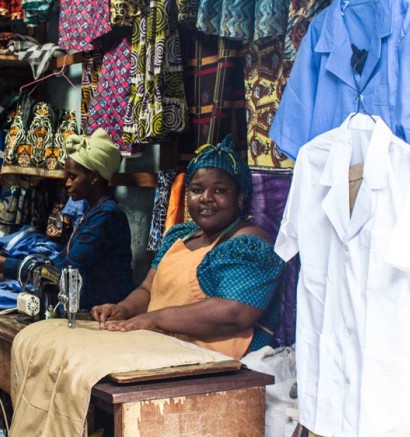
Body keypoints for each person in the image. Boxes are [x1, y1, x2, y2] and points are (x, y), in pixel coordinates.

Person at [91, 135, 285, 359]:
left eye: (220, 190)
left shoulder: (250, 245)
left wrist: (156, 319)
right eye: (196, 190)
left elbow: (234, 313)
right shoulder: (179, 236)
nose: (206, 198)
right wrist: (123, 309)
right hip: (164, 350)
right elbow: (147, 290)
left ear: (240, 197)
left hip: (216, 365)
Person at [0, 128, 133, 309]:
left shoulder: (106, 216)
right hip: (91, 307)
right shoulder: (94, 213)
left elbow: (63, 271)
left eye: (72, 177)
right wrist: (8, 271)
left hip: (104, 311)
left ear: (94, 177)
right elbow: (60, 261)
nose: (67, 183)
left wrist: (5, 265)